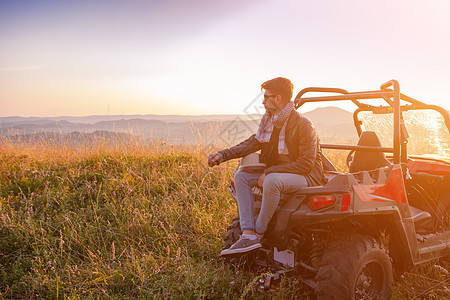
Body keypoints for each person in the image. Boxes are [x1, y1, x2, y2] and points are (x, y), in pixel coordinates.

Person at [208, 77, 325, 256]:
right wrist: (222, 155)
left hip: (306, 176)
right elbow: (252, 143)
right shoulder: (270, 121)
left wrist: (269, 171)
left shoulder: (303, 124)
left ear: (278, 99)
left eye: (266, 97)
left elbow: (306, 164)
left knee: (271, 180)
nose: (263, 101)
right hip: (281, 174)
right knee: (241, 177)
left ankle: (259, 233)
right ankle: (247, 232)